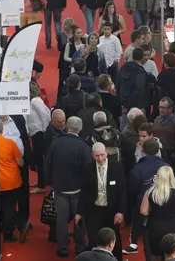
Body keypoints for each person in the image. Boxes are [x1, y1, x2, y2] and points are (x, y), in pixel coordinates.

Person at [45, 116, 93, 258]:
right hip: (78, 189)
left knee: (61, 219)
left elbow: (47, 164)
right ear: (80, 129)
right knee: (79, 219)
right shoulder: (83, 146)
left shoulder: (56, 143)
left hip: (60, 188)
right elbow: (88, 169)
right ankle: (80, 246)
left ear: (67, 127)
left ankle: (62, 248)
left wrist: (49, 183)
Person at [76, 143, 126, 259]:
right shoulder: (87, 168)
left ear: (107, 152)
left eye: (102, 155)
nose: (100, 158)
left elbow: (123, 191)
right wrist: (79, 212)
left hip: (111, 210)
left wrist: (121, 211)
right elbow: (84, 192)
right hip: (94, 210)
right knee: (93, 239)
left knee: (114, 239)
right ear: (92, 155)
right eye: (97, 156)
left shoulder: (116, 167)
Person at [141, 166, 175, 261]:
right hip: (173, 230)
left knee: (156, 256)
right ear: (171, 177)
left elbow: (143, 211)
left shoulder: (150, 192)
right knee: (174, 257)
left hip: (155, 229)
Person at [126, 138, 166, 255]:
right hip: (163, 208)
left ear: (143, 150)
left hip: (142, 210)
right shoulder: (166, 167)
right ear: (158, 150)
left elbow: (132, 190)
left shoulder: (137, 169)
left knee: (148, 242)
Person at [27, 82, 51, 194]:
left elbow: (45, 114)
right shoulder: (34, 101)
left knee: (40, 160)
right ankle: (41, 181)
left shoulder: (35, 101)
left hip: (39, 133)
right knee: (38, 159)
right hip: (36, 132)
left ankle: (42, 185)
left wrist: (45, 130)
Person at [117, 48, 152, 114]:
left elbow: (118, 85)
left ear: (132, 56)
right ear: (142, 57)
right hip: (137, 106)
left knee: (125, 124)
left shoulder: (123, 68)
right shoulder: (140, 72)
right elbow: (139, 89)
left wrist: (123, 104)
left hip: (124, 105)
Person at [153, 97, 175, 165]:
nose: (161, 110)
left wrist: (173, 156)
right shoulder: (157, 119)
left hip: (169, 156)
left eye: (163, 107)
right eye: (160, 107)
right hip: (157, 153)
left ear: (170, 108)